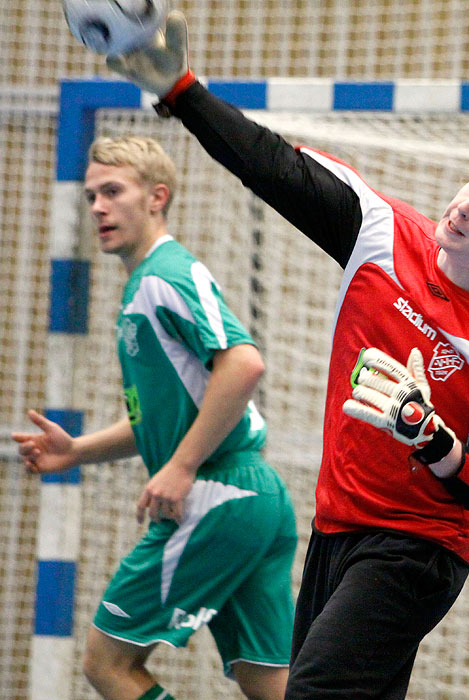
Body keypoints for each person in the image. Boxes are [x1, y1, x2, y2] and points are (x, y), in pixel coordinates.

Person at [105, 12, 469, 699]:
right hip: (335, 528)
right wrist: (180, 89)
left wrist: (432, 439)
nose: (463, 205)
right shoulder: (382, 234)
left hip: (417, 552)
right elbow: (269, 164)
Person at [12, 135, 297, 700]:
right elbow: (170, 416)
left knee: (106, 662)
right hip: (254, 500)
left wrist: (182, 465)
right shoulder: (144, 287)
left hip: (219, 493)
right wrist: (79, 450)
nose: (98, 206)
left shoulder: (164, 276)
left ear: (156, 197)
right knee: (274, 686)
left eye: (113, 191)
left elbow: (243, 365)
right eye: (92, 195)